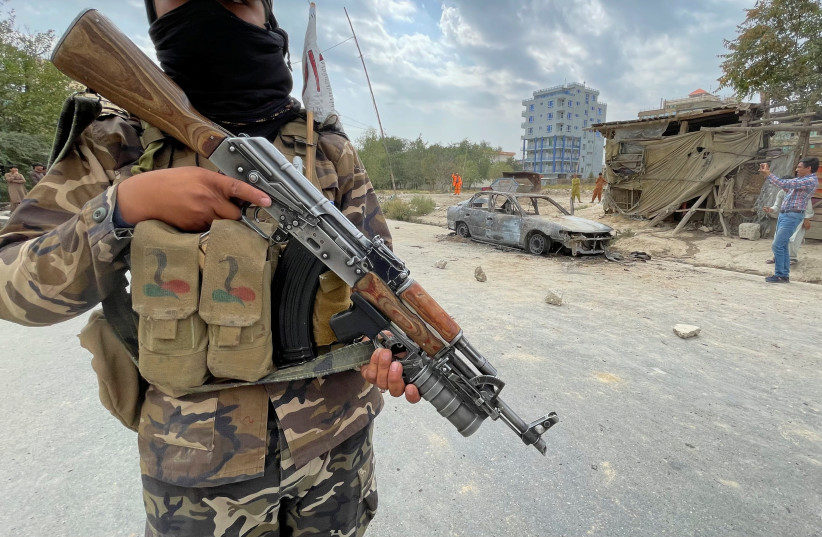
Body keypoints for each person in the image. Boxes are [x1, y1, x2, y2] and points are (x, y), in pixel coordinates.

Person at [0, 1, 419, 536]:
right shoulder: (115, 145)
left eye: (235, 0)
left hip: (336, 444)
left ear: (267, 16)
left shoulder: (327, 147)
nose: (212, 13)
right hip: (195, 464)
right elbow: (10, 285)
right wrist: (123, 207)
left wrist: (387, 347)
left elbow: (378, 283)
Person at [758, 157, 819, 283]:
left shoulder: (809, 180)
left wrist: (768, 173)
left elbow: (784, 183)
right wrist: (767, 175)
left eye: (799, 167)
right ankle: (783, 275)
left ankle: (781, 274)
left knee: (778, 245)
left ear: (808, 168)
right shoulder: (801, 180)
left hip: (792, 215)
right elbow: (783, 185)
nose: (796, 169)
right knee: (783, 245)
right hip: (786, 214)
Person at [763, 187, 814, 266]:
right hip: (784, 217)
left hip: (797, 218)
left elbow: (808, 208)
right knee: (778, 237)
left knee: (792, 238)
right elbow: (777, 206)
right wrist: (770, 209)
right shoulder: (781, 192)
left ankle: (792, 258)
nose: (785, 189)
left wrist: (806, 219)